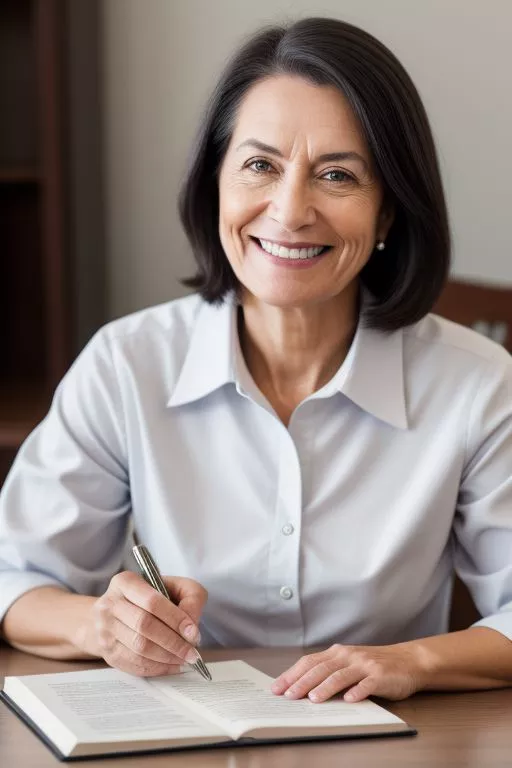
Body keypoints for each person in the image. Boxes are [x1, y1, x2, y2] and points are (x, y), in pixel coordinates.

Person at [1, 17, 511, 706]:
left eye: (337, 175)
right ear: (217, 182)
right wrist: (103, 624)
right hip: (177, 737)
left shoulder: (477, 385)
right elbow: (14, 578)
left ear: (388, 213)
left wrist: (413, 661)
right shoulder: (127, 366)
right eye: (260, 165)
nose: (291, 209)